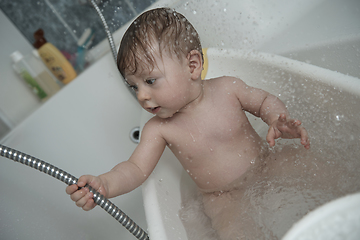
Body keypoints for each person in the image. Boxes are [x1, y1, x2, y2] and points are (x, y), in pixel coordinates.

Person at [66, 7, 310, 239]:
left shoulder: (228, 88)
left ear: (192, 66)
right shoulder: (159, 129)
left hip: (266, 164)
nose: (141, 95)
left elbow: (264, 100)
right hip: (222, 197)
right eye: (134, 86)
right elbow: (136, 169)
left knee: (318, 173)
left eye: (150, 81)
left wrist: (276, 119)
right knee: (236, 234)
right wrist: (105, 184)